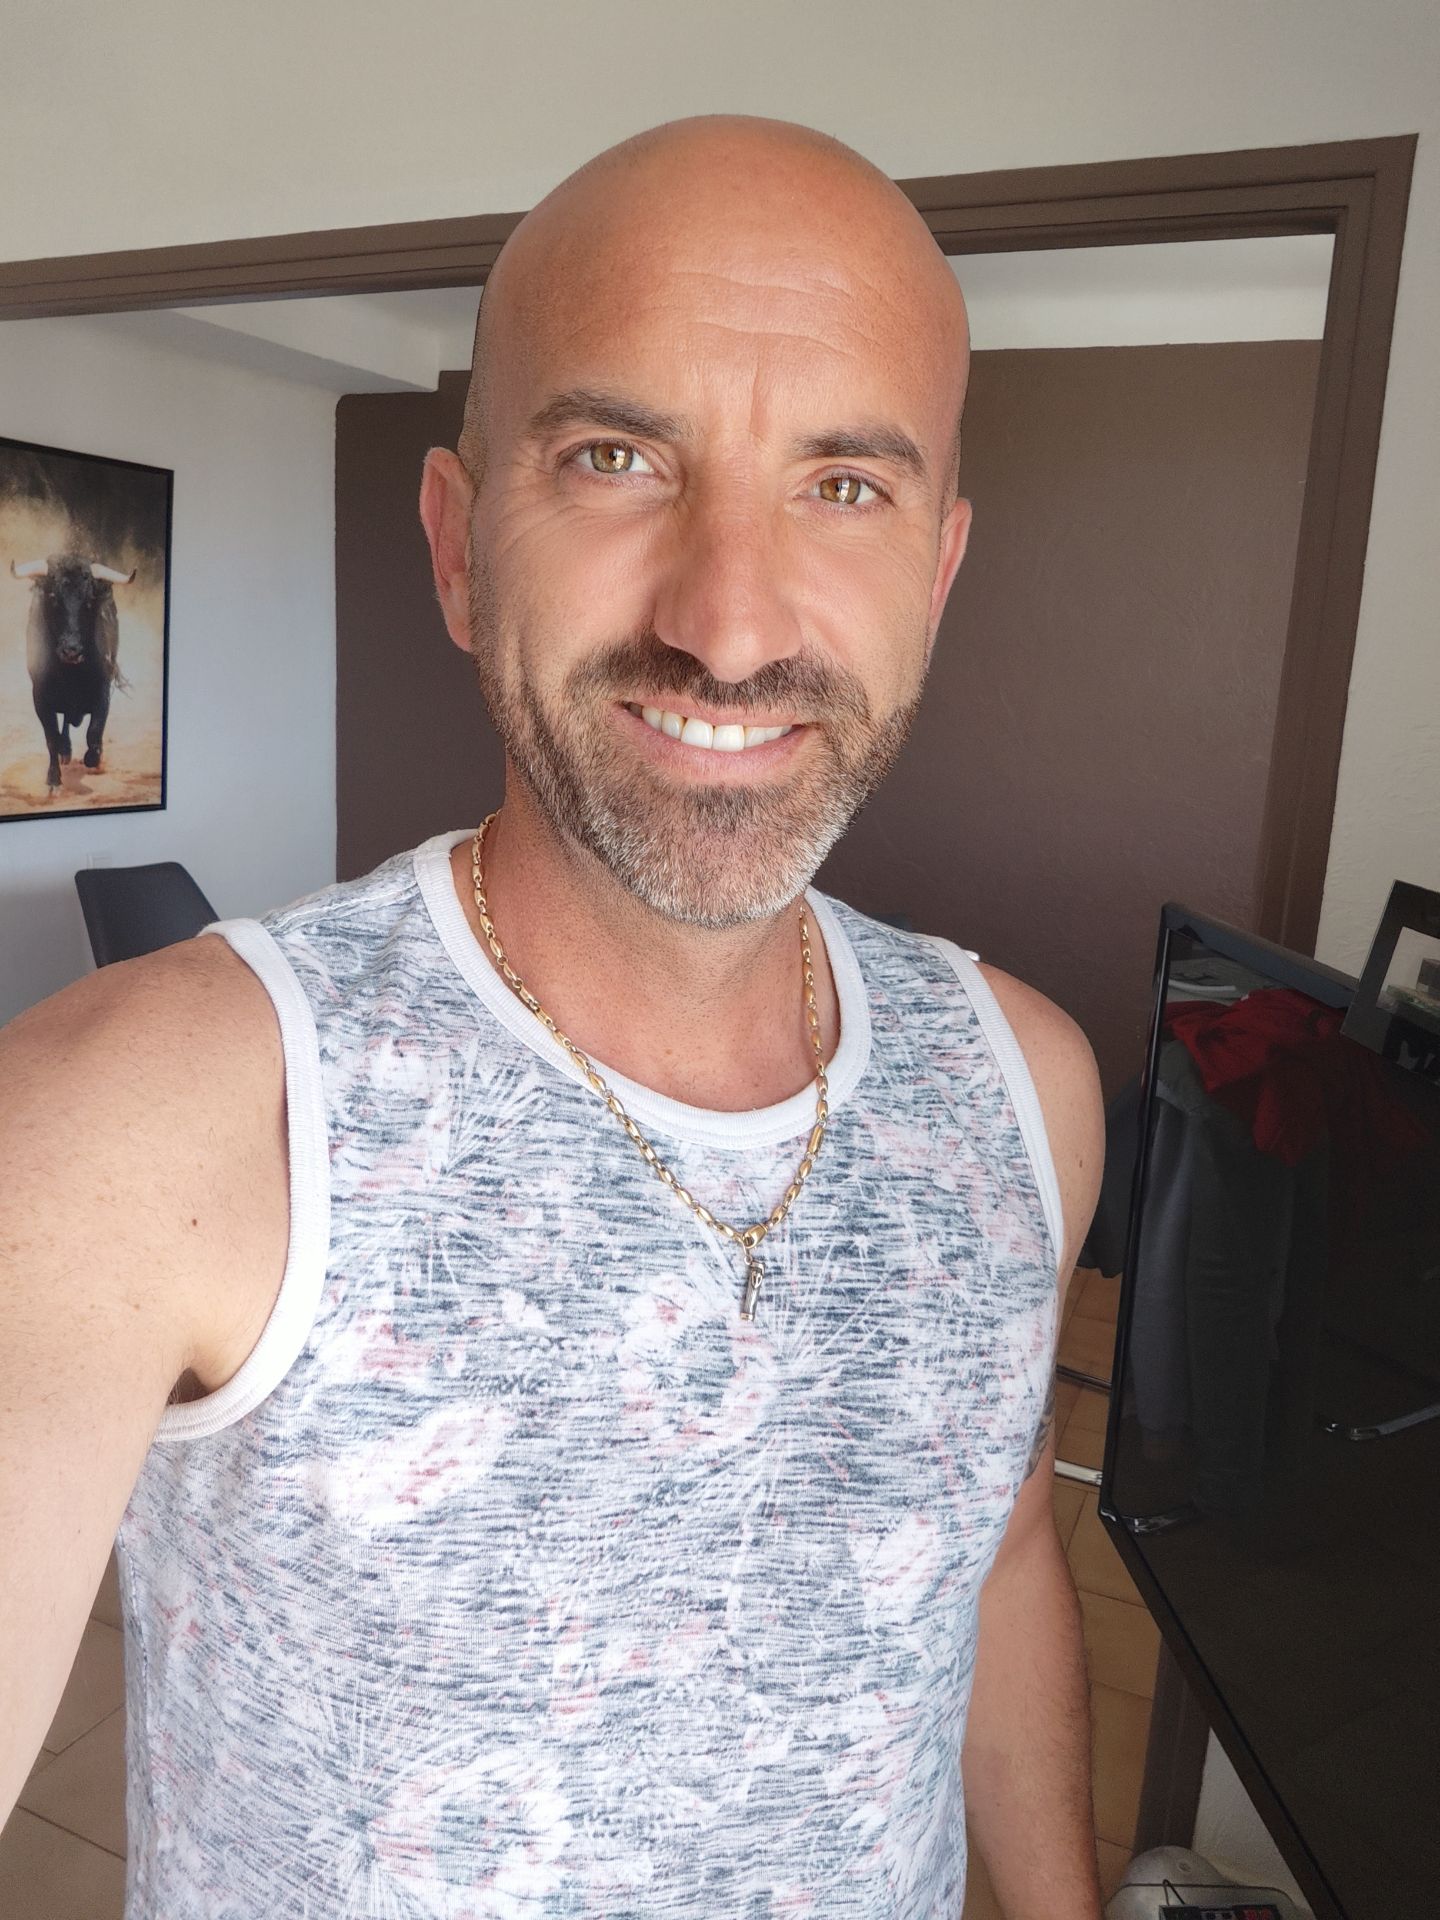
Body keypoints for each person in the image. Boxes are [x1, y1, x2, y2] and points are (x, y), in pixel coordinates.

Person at [1, 114, 1105, 1917]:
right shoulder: (143, 1121)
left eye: (844, 484)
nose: (730, 627)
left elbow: (999, 1562)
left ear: (937, 573)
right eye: (616, 457)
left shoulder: (1025, 1089)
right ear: (459, 549)